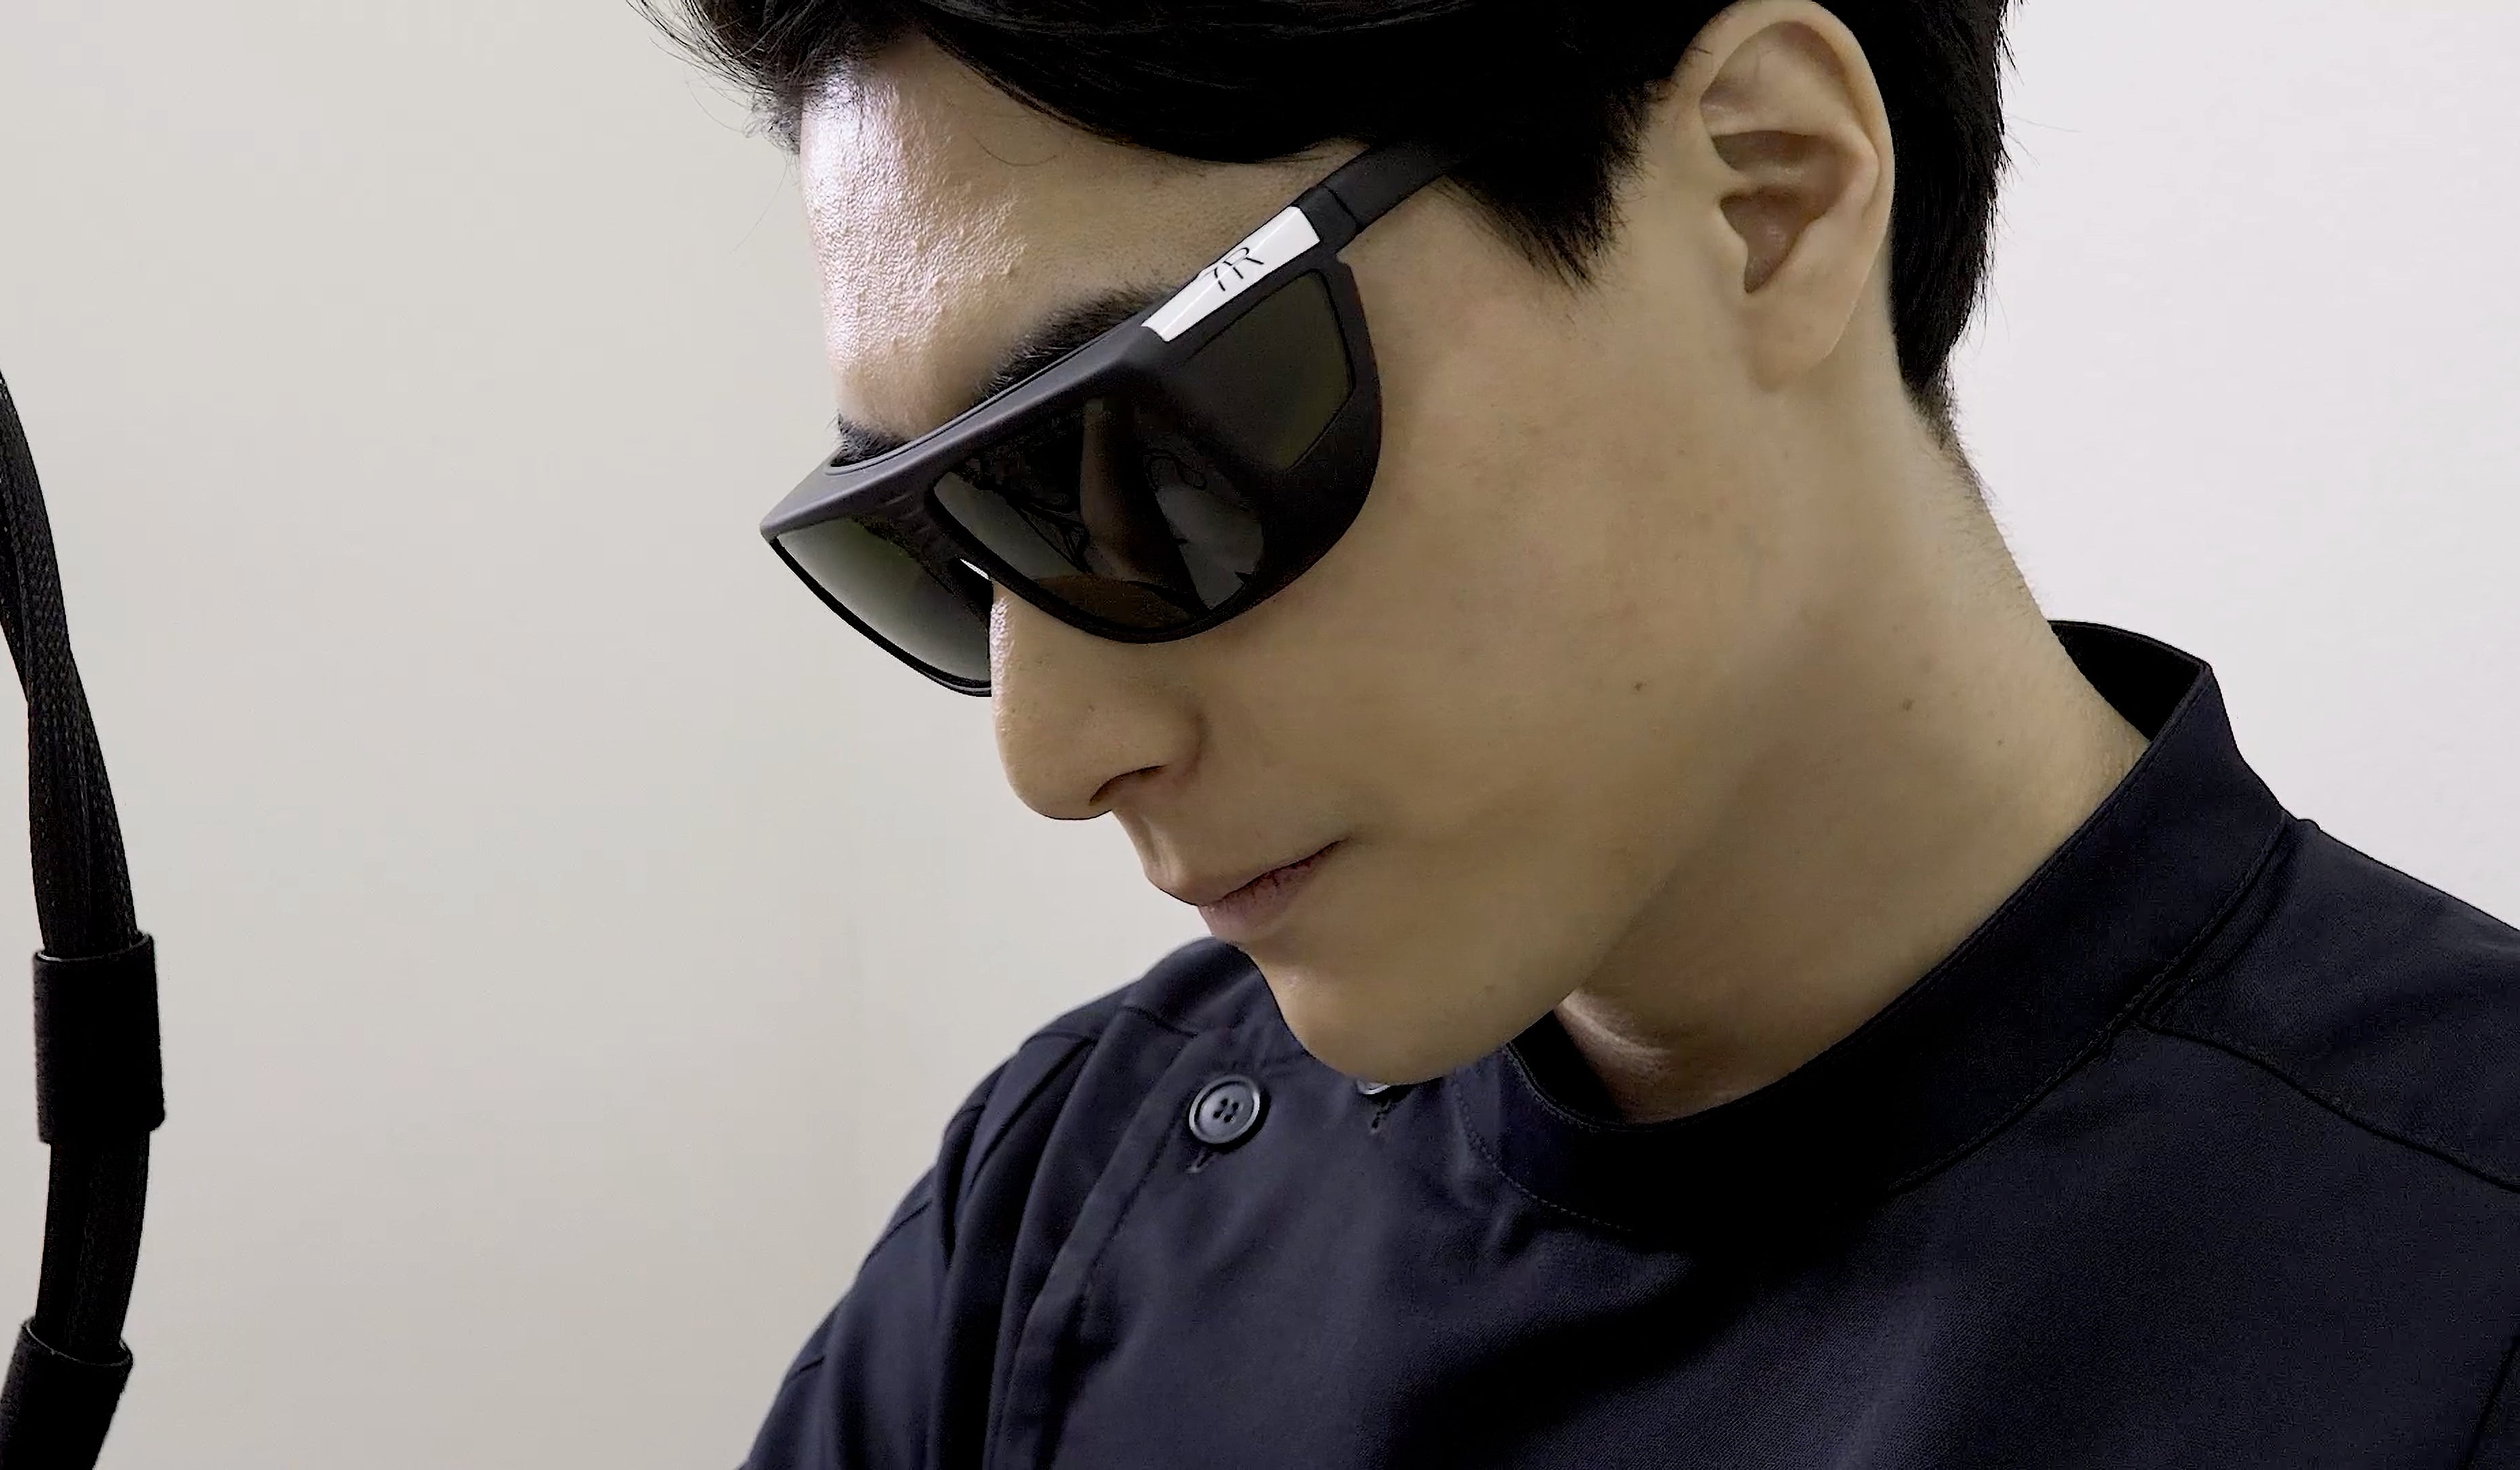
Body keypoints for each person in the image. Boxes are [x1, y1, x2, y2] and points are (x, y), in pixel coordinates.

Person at [650, 1, 2520, 1464]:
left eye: (1149, 456)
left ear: (1764, 194)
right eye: (938, 551)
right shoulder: (1063, 1219)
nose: (1052, 753)